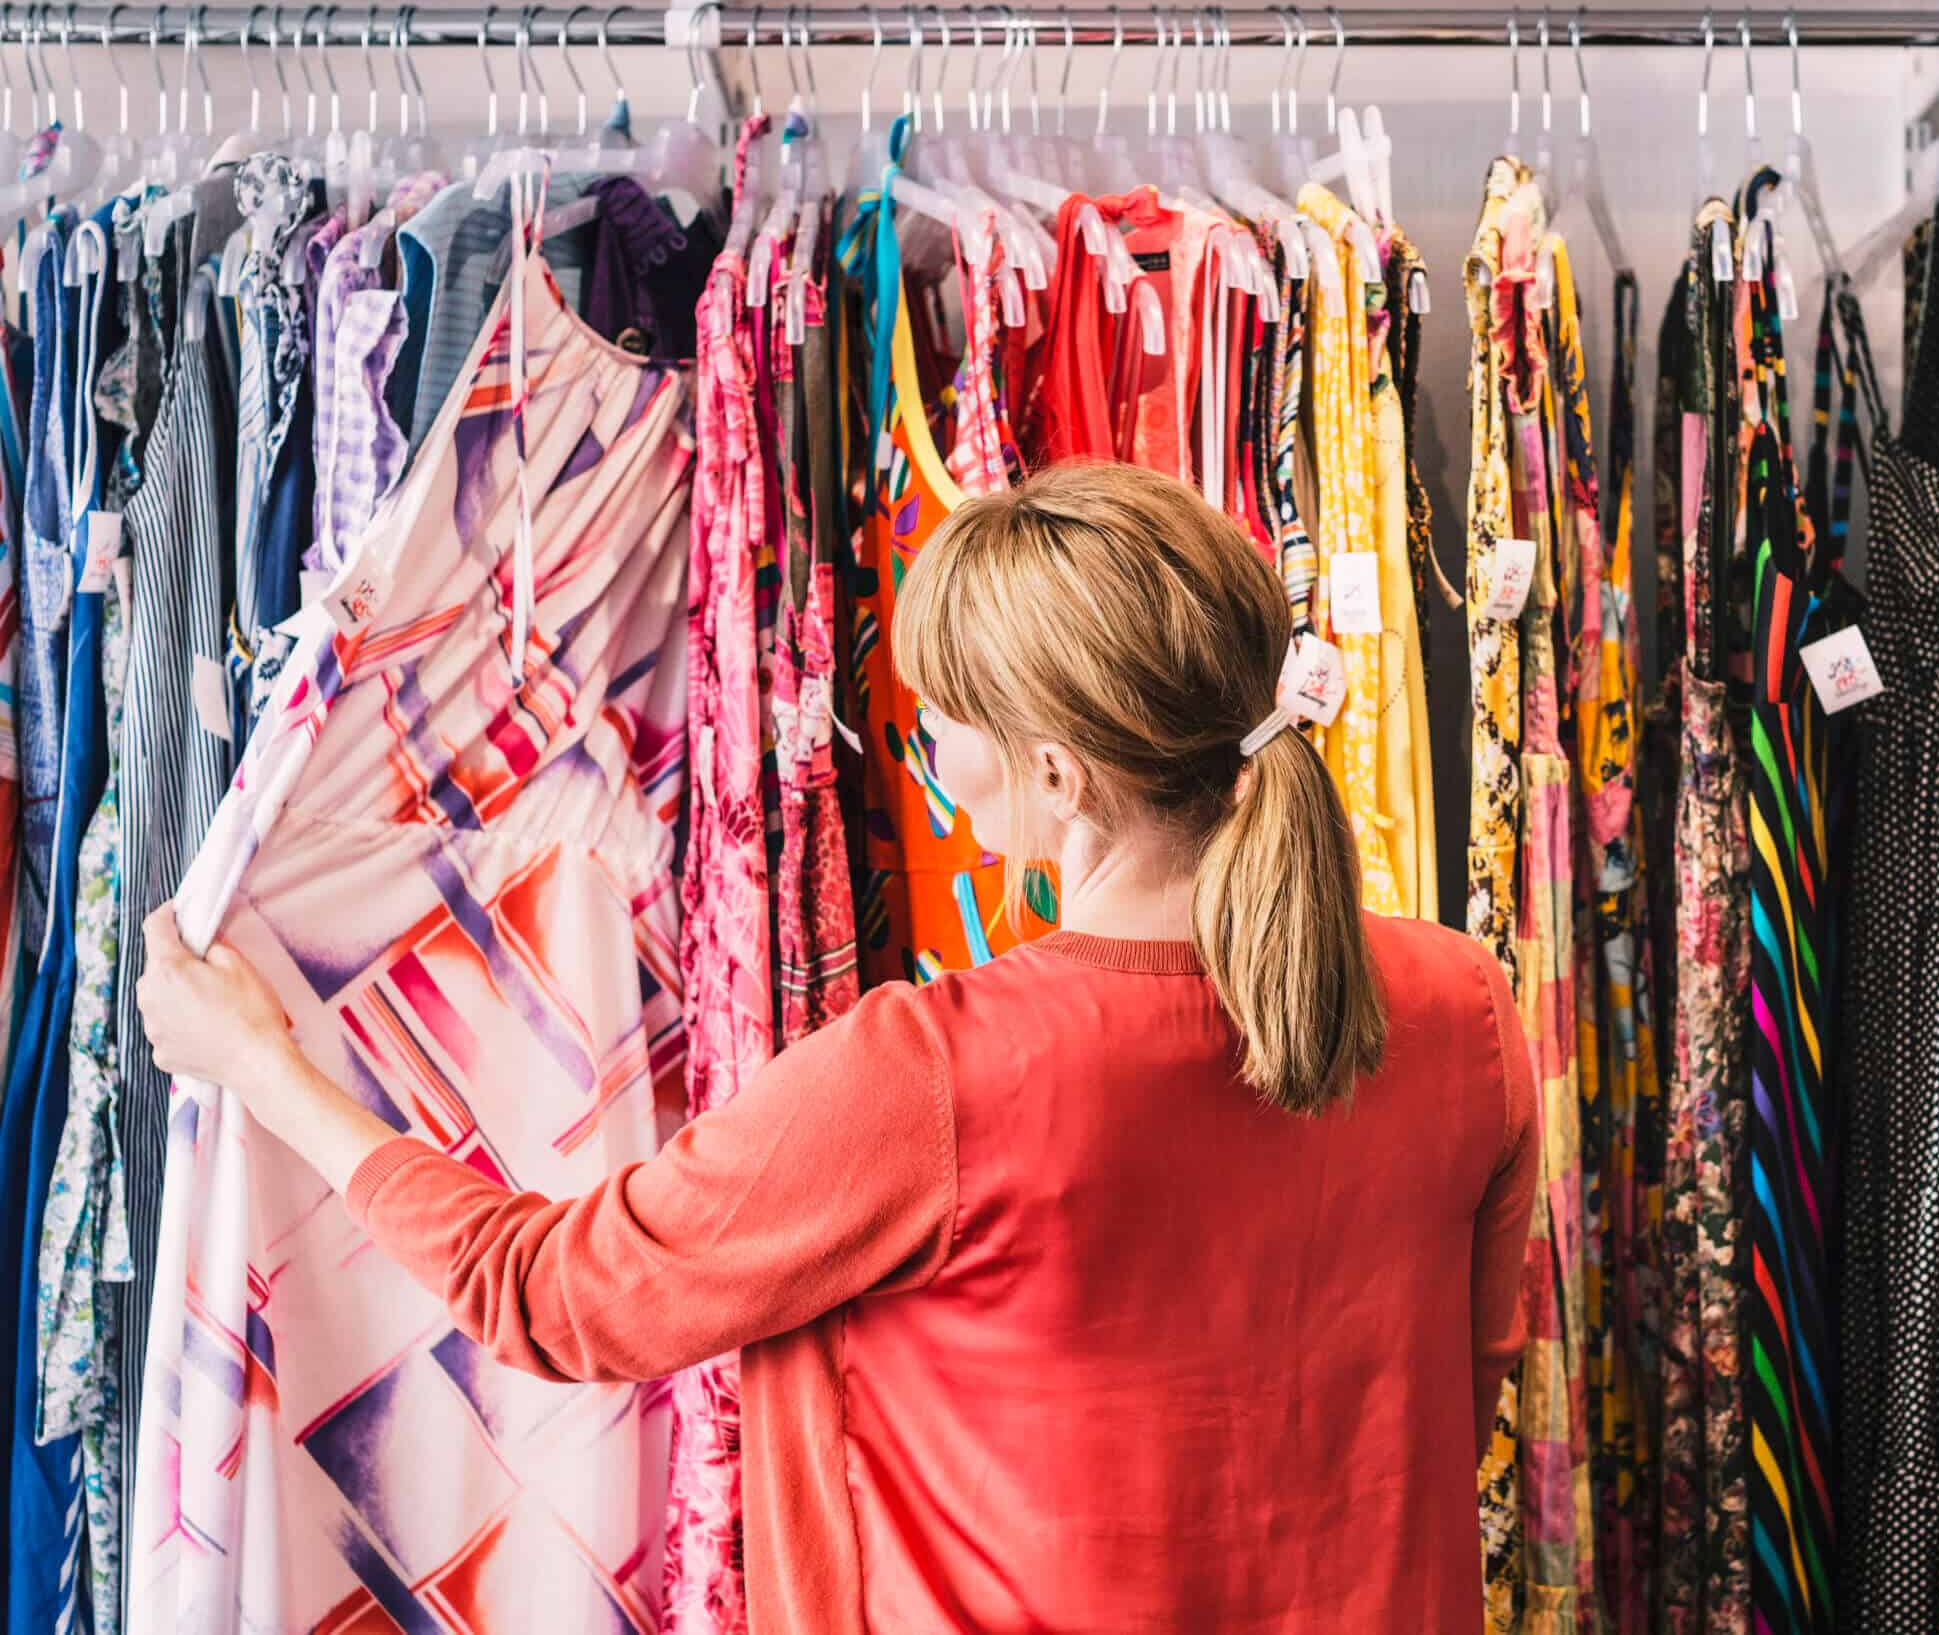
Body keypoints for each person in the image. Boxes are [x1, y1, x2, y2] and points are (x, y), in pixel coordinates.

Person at [138, 459, 1536, 1634]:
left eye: (945, 723)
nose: (928, 749)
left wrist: (268, 1070)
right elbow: (1448, 1410)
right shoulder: (1459, 1008)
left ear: (1059, 774)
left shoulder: (940, 1077)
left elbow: (556, 1296)